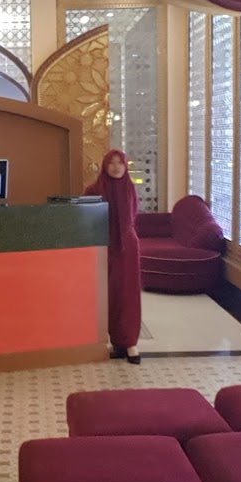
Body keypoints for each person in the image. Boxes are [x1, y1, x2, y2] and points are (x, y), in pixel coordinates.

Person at [85, 148, 142, 363]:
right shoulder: (93, 190)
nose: (116, 167)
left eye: (120, 163)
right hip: (103, 247)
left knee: (128, 294)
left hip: (127, 248)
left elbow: (132, 217)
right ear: (105, 165)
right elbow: (87, 219)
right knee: (108, 296)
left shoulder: (129, 187)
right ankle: (117, 341)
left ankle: (131, 343)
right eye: (112, 162)